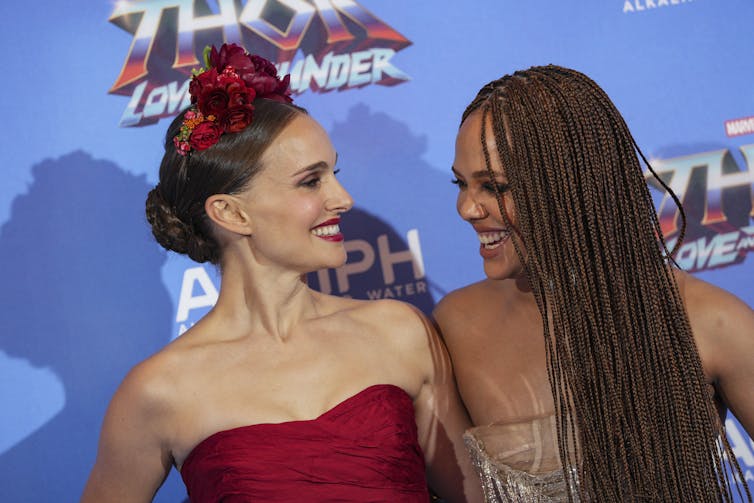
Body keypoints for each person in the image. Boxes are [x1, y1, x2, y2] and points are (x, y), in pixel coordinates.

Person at [81, 43, 480, 503]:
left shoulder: (399, 332)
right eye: (312, 181)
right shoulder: (157, 392)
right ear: (232, 213)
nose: (343, 198)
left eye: (334, 173)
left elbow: (477, 495)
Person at [433, 65, 754, 502]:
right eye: (461, 183)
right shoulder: (457, 323)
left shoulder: (711, 322)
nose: (467, 208)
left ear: (572, 184)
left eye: (493, 186)